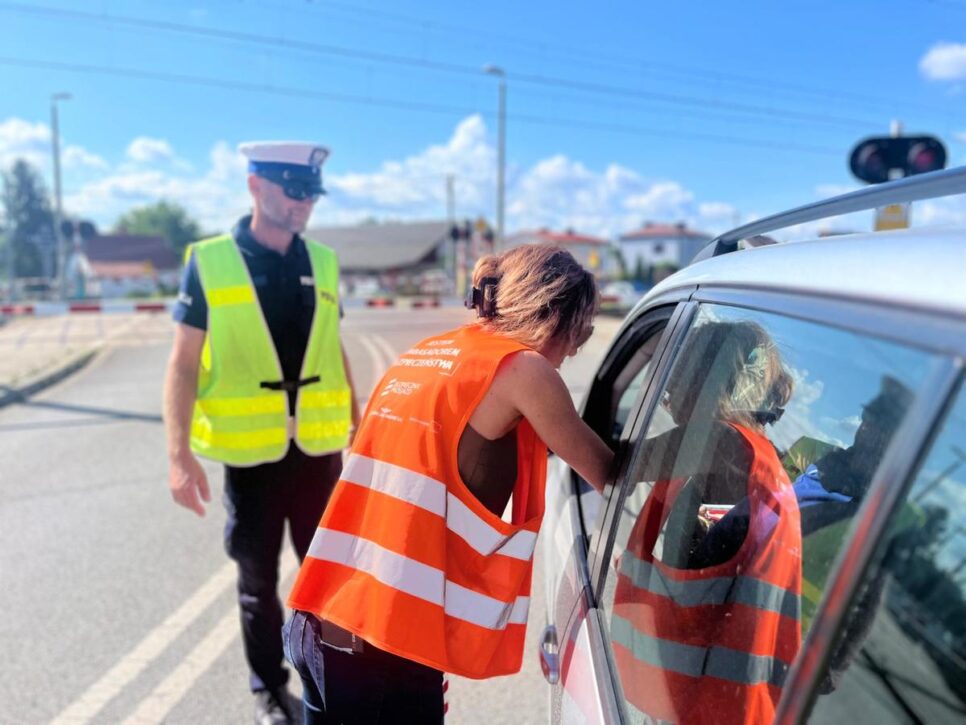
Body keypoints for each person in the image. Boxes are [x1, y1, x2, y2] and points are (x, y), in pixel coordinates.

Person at [283, 244, 614, 723]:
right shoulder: (524, 370)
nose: (573, 352)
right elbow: (609, 474)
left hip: (324, 618)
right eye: (579, 335)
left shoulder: (431, 354)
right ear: (555, 315)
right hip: (379, 644)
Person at [163, 141, 360, 725]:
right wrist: (177, 454)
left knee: (329, 578)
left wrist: (358, 415)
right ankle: (270, 690)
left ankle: (331, 688)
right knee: (257, 583)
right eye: (292, 191)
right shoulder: (211, 260)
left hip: (320, 452)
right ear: (255, 186)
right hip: (251, 460)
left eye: (311, 195)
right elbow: (181, 362)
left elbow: (334, 341)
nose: (303, 206)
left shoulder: (323, 261)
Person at [610, 320, 801, 725]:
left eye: (675, 382)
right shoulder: (753, 464)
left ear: (708, 385)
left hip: (707, 706)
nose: (666, 399)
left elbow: (617, 466)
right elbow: (712, 567)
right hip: (723, 702)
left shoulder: (721, 442)